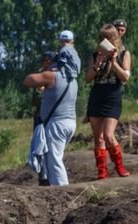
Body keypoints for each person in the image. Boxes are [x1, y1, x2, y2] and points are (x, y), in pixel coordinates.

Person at [24, 47, 78, 187]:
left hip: (57, 124)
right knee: (54, 157)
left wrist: (45, 71)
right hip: (70, 121)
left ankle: (62, 191)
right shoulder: (71, 78)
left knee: (54, 160)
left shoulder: (51, 76)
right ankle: (54, 186)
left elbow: (28, 80)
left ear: (49, 61)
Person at [86, 23, 131, 178]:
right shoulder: (95, 55)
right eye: (102, 38)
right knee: (98, 137)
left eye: (108, 37)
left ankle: (119, 167)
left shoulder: (124, 53)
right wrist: (97, 64)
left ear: (115, 38)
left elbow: (125, 77)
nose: (104, 40)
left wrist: (113, 62)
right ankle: (102, 171)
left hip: (113, 95)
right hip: (97, 94)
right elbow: (87, 78)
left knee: (108, 135)